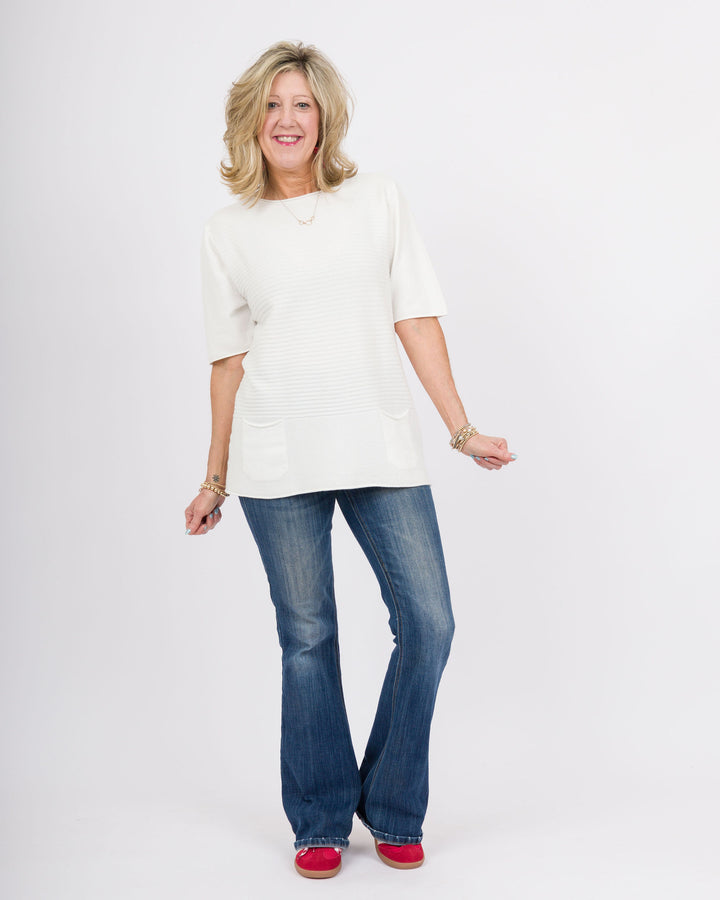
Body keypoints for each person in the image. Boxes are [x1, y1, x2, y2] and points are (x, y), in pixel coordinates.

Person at [184, 40, 516, 880]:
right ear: (249, 120)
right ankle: (321, 818)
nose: (286, 119)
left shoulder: (377, 201)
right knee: (307, 638)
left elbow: (415, 318)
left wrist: (462, 429)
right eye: (271, 105)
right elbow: (227, 363)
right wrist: (215, 475)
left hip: (380, 444)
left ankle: (393, 801)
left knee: (430, 624)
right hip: (275, 454)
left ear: (325, 116)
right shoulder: (228, 232)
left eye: (301, 103)